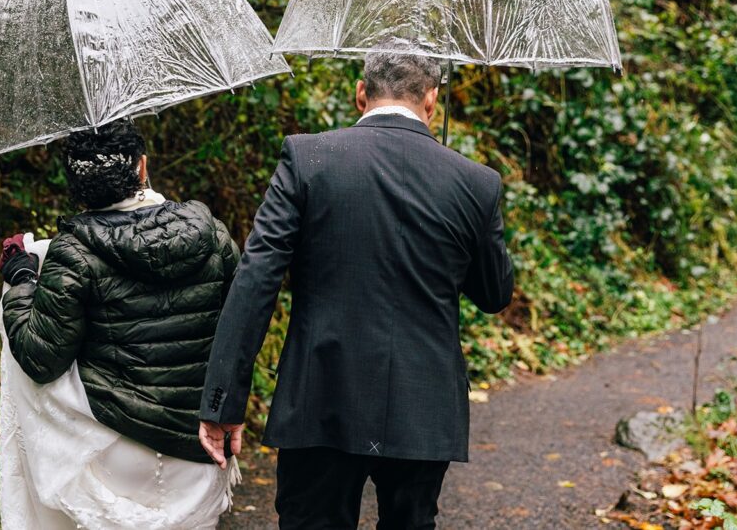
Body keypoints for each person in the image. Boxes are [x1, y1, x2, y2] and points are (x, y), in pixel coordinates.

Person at [198, 44, 515, 529]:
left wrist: (224, 401)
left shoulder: (307, 158)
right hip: (423, 404)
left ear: (360, 92)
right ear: (432, 101)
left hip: (320, 396)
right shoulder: (476, 182)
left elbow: (257, 277)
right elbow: (494, 294)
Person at [0, 120, 241, 529]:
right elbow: (240, 331)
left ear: (74, 182)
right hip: (200, 439)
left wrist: (21, 281)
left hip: (115, 447)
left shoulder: (72, 252)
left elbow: (41, 359)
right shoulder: (212, 236)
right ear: (142, 167)